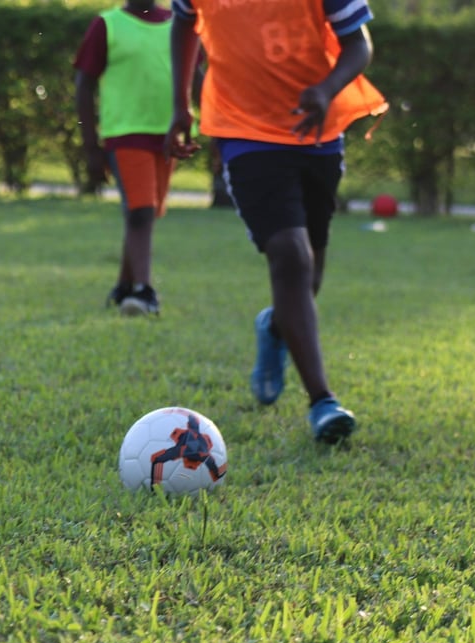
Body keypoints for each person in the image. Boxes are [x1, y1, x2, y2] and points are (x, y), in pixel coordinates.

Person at [165, 0, 388, 442]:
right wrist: (181, 105)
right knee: (290, 256)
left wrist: (326, 89)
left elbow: (358, 46)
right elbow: (184, 25)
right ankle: (322, 401)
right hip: (242, 131)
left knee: (310, 277)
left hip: (316, 129)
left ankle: (275, 325)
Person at [74, 0, 176, 316]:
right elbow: (84, 84)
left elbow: (194, 74)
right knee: (141, 211)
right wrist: (90, 145)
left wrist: (215, 126)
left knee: (146, 213)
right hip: (125, 133)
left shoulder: (176, 22)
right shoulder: (107, 25)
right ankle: (144, 291)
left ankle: (123, 285)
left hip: (168, 135)